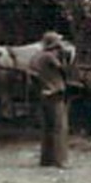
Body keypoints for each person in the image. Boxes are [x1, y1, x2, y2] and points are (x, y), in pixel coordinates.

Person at [32, 31, 72, 168]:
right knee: (60, 128)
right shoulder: (50, 57)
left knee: (47, 129)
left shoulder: (37, 57)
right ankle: (60, 160)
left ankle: (46, 159)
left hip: (43, 94)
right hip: (55, 94)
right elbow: (64, 71)